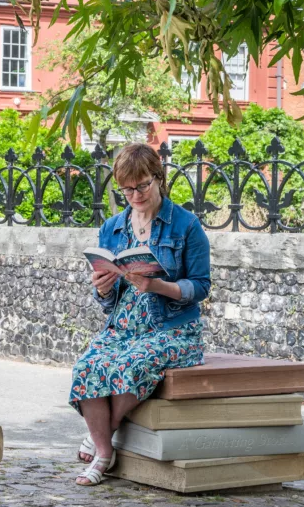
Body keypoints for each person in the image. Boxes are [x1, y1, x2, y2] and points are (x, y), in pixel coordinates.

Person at [69, 143, 210, 486]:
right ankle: (106, 447)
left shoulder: (186, 226)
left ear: (158, 178)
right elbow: (106, 297)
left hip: (173, 329)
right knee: (88, 367)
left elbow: (201, 286)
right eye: (127, 189)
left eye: (142, 185)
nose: (135, 194)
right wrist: (102, 289)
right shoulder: (113, 228)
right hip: (122, 327)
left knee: (131, 366)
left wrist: (157, 286)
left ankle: (102, 446)